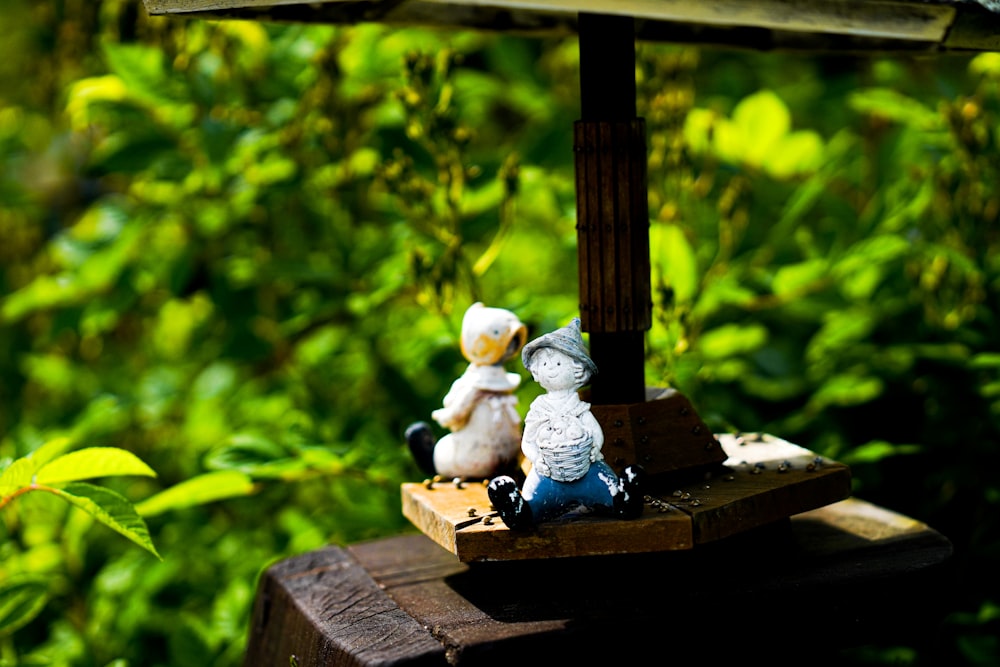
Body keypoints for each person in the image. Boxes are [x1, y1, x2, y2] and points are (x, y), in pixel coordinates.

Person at [488, 318, 643, 529]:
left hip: (588, 471)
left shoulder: (578, 407)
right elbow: (528, 441)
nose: (551, 369)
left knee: (606, 484)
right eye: (544, 364)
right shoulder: (538, 409)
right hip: (547, 475)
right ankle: (519, 510)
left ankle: (623, 500)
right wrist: (537, 459)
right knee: (535, 499)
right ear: (536, 372)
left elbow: (594, 432)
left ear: (578, 371)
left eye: (559, 363)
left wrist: (594, 449)